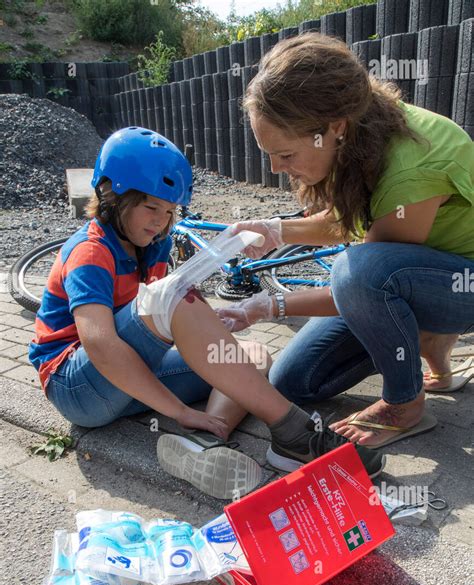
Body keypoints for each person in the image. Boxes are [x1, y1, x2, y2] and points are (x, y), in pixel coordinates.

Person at [28, 126, 385, 499]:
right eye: (151, 207)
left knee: (253, 355)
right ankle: (295, 432)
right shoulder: (90, 251)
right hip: (77, 387)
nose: (161, 222)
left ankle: (204, 444)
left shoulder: (153, 245)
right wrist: (179, 409)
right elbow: (100, 346)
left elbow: (162, 322)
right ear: (109, 194)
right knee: (174, 296)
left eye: (169, 211)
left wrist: (206, 327)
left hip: (129, 381)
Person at [218, 32, 474, 450]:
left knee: (356, 272)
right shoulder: (358, 131)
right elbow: (354, 221)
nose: (275, 167)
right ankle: (430, 343)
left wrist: (265, 306)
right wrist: (275, 230)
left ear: (333, 128)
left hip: (462, 284)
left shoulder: (412, 168)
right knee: (295, 379)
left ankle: (405, 403)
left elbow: (365, 284)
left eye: (285, 154)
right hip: (421, 273)